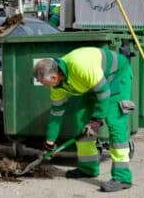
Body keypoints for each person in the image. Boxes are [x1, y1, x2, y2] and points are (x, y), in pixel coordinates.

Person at [34, 46, 134, 192]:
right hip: (93, 84)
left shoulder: (79, 66)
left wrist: (96, 120)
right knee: (81, 123)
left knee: (115, 124)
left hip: (116, 76)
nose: (44, 87)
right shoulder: (57, 86)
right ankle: (88, 168)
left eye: (44, 83)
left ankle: (122, 178)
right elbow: (56, 115)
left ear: (54, 77)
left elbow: (104, 93)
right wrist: (50, 141)